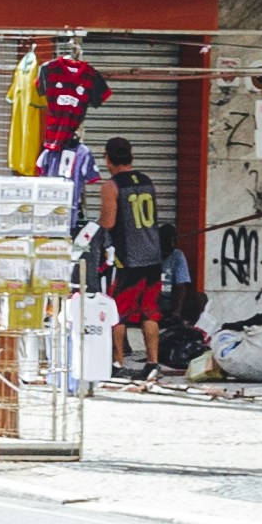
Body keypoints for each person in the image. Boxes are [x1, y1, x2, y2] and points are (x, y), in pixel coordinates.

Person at [84, 136, 169, 385]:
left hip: (128, 259)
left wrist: (92, 232)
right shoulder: (147, 181)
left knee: (118, 313)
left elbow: (108, 222)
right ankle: (153, 364)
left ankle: (118, 363)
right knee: (150, 312)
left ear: (107, 158)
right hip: (152, 256)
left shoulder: (111, 186)